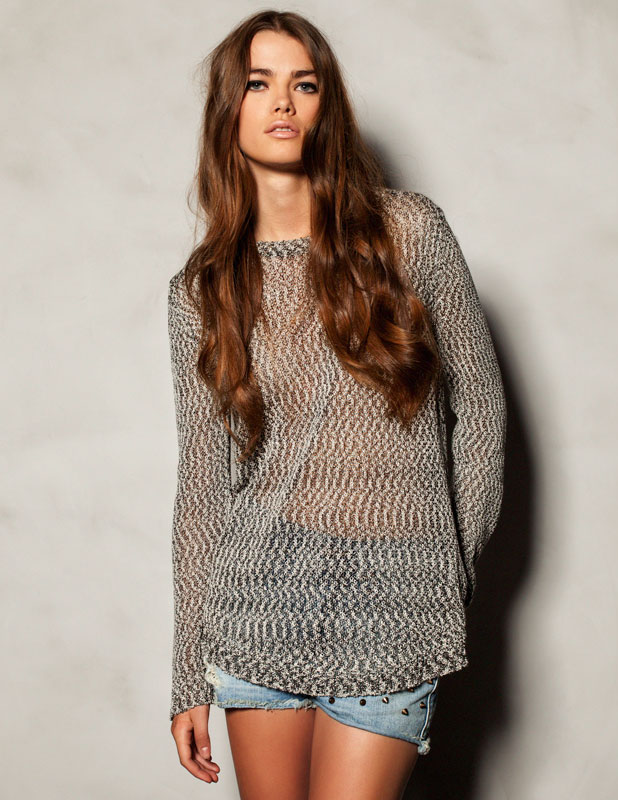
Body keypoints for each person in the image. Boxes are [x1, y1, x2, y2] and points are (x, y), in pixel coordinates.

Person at [167, 9, 506, 800]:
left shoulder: (408, 233)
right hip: (258, 602)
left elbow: (483, 413)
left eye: (305, 84)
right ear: (229, 110)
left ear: (327, 106)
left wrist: (446, 570)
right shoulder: (202, 291)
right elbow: (203, 487)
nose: (283, 102)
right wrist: (186, 673)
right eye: (259, 84)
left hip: (397, 598)